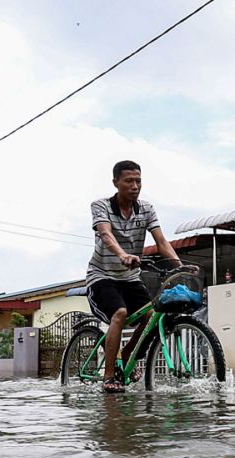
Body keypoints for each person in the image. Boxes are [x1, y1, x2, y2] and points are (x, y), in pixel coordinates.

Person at [86, 160, 183, 393]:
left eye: (138, 181)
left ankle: (129, 352)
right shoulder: (101, 205)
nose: (135, 185)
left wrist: (180, 266)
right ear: (116, 182)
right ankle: (109, 376)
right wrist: (122, 254)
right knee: (120, 313)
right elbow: (105, 234)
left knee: (151, 315)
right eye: (129, 181)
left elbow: (161, 242)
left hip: (130, 278)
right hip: (102, 276)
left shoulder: (147, 209)